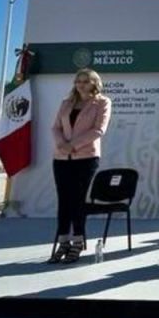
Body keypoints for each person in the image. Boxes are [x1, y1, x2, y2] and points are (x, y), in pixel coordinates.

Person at [48, 70, 112, 264]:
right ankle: (63, 242)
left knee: (77, 200)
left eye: (85, 81)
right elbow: (55, 127)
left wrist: (73, 145)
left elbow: (99, 130)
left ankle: (78, 241)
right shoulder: (66, 103)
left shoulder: (102, 102)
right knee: (64, 200)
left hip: (85, 157)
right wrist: (62, 144)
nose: (81, 85)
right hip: (61, 157)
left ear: (94, 83)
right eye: (78, 81)